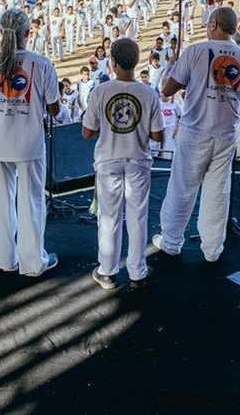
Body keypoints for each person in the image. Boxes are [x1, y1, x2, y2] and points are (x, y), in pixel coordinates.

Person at [153, 6, 240, 262]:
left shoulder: (196, 51)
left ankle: (171, 242)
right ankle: (212, 250)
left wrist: (175, 66)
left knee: (182, 188)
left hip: (195, 131)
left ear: (212, 24)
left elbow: (167, 90)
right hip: (226, 134)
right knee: (217, 192)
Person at [0, 9, 61, 277]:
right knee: (31, 202)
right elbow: (55, 109)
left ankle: (5, 260)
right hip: (29, 142)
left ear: (1, 33)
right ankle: (33, 263)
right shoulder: (41, 64)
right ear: (28, 33)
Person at [82, 38, 164, 290]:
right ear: (137, 61)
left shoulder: (100, 92)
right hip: (138, 160)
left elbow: (86, 132)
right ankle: (137, 272)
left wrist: (107, 128)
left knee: (109, 217)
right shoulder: (149, 93)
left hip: (108, 160)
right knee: (137, 216)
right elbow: (159, 136)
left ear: (112, 62)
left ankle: (107, 272)